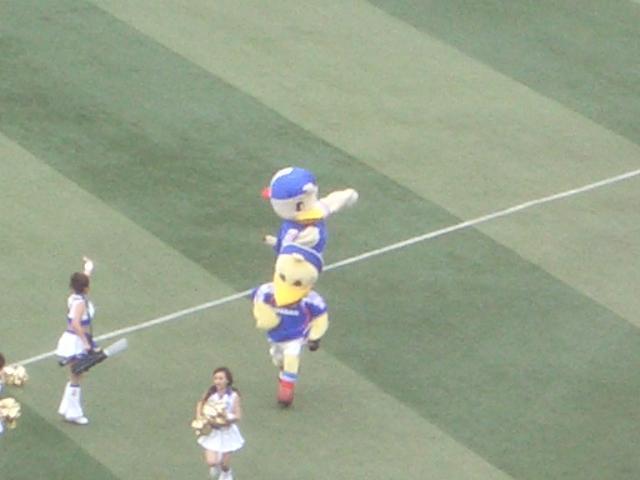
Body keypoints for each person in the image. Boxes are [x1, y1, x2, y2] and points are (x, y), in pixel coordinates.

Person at [55, 256, 96, 425]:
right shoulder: (80, 303)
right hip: (75, 342)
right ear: (86, 288)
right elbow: (76, 324)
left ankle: (66, 407)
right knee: (76, 375)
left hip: (74, 340)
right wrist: (85, 343)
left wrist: (88, 268)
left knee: (77, 374)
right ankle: (73, 412)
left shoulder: (74, 296)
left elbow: (82, 281)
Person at [195, 367, 244, 480]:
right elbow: (200, 404)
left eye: (221, 378)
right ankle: (216, 464)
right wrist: (200, 418)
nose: (218, 381)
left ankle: (226, 473)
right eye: (216, 378)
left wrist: (226, 417)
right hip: (212, 431)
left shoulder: (233, 396)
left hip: (227, 432)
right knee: (211, 461)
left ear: (227, 380)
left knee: (224, 464)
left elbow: (238, 416)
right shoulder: (210, 393)